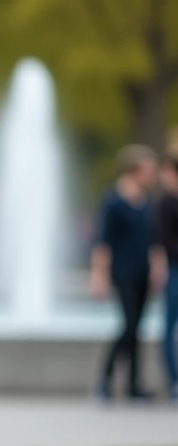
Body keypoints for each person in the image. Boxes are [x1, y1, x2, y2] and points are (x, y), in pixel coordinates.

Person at [91, 145, 166, 400]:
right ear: (134, 171)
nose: (153, 175)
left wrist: (157, 265)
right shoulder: (113, 200)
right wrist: (98, 276)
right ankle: (105, 379)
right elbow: (103, 242)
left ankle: (134, 384)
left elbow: (154, 239)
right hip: (122, 271)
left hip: (142, 270)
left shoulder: (146, 201)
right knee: (129, 323)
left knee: (138, 327)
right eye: (149, 170)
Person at [159, 155, 178, 400]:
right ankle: (174, 380)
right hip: (174, 268)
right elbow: (161, 241)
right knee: (168, 327)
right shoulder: (164, 203)